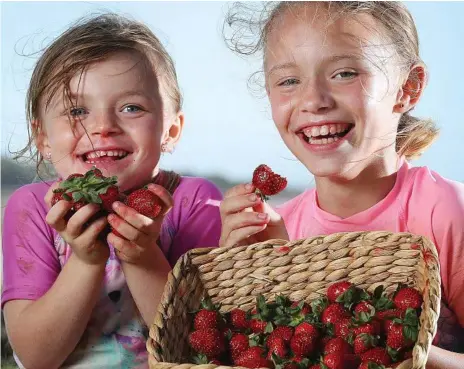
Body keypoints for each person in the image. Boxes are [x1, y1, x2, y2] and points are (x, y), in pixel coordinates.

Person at [219, 2, 464, 367]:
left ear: (407, 89)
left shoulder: (445, 211)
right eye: (288, 81)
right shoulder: (277, 231)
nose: (314, 101)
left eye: (345, 73)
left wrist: (409, 353)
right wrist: (246, 274)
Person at [2, 13, 222, 369]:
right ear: (42, 136)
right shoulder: (31, 209)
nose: (103, 127)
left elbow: (199, 347)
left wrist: (140, 256)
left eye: (131, 107)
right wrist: (86, 260)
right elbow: (36, 357)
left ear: (172, 129)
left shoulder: (194, 201)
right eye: (77, 110)